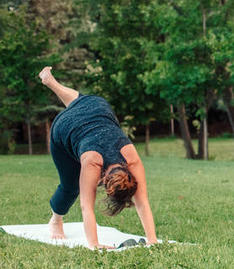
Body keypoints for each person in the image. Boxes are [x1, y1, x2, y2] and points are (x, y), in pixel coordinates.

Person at [39, 67, 158, 249]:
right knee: (70, 187)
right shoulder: (93, 162)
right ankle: (55, 221)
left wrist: (153, 240)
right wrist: (94, 245)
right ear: (104, 181)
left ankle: (51, 82)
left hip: (95, 105)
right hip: (64, 127)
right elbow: (87, 208)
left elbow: (142, 203)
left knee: (83, 106)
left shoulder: (131, 157)